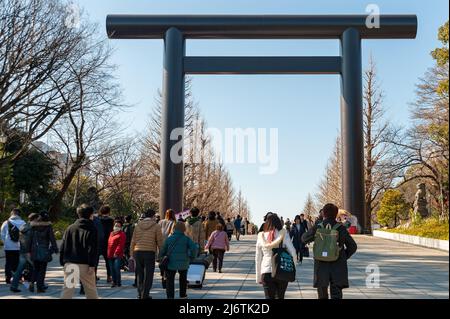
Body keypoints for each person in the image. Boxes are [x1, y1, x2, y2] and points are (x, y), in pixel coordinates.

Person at [302, 203, 358, 299]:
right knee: (336, 293)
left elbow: (304, 238)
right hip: (337, 265)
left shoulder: (318, 227)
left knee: (322, 293)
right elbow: (353, 246)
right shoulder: (341, 228)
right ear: (336, 214)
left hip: (321, 265)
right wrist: (342, 255)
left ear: (323, 213)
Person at [60, 204, 99, 299]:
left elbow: (63, 246)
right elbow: (92, 248)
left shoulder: (70, 228)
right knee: (91, 290)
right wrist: (92, 264)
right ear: (90, 215)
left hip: (70, 263)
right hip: (86, 265)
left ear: (78, 214)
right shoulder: (92, 229)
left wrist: (63, 262)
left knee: (67, 290)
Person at [255, 213, 296, 299]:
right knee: (280, 297)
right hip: (281, 270)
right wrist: (292, 269)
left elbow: (258, 258)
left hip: (266, 271)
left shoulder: (261, 236)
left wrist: (258, 277)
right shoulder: (284, 234)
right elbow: (293, 252)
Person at [159, 222, 198, 299]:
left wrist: (160, 257)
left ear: (174, 229)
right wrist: (192, 257)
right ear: (184, 229)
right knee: (183, 279)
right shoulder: (187, 239)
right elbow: (194, 248)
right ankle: (182, 295)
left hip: (170, 262)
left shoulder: (168, 239)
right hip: (184, 262)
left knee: (170, 280)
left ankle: (170, 296)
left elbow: (162, 250)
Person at [131, 209, 163, 299]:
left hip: (138, 252)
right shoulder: (156, 226)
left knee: (139, 273)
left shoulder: (137, 226)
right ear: (153, 216)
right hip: (149, 252)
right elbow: (160, 241)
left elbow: (133, 241)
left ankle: (139, 293)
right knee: (148, 274)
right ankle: (145, 294)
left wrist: (131, 254)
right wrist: (162, 253)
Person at [27, 211, 58, 293]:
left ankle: (32, 282)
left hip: (34, 250)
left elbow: (29, 239)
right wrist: (55, 249)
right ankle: (40, 287)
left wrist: (28, 250)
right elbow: (52, 239)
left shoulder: (33, 226)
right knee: (42, 269)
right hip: (44, 250)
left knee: (35, 268)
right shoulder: (48, 227)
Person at [10, 213, 39, 293]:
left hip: (22, 251)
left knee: (19, 269)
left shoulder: (23, 226)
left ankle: (13, 286)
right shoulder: (30, 229)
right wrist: (28, 252)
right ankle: (39, 285)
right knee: (38, 267)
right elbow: (27, 241)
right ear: (35, 219)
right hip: (27, 252)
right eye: (37, 219)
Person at [1, 208, 26, 284]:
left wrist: (6, 242)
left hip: (8, 246)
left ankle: (8, 278)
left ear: (12, 214)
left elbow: (2, 234)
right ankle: (18, 278)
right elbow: (26, 235)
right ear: (19, 215)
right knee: (19, 263)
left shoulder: (6, 222)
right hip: (19, 246)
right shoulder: (23, 223)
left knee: (8, 262)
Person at [159, 209, 176, 287]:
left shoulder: (161, 222)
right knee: (167, 261)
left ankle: (162, 275)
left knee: (162, 261)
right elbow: (172, 233)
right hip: (168, 244)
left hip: (160, 244)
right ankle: (166, 276)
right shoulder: (173, 222)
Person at [107, 221, 126, 288]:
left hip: (117, 255)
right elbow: (109, 244)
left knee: (116, 268)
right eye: (115, 225)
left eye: (118, 226)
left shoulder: (122, 234)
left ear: (121, 227)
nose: (116, 227)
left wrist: (116, 252)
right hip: (110, 254)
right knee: (112, 269)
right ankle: (113, 282)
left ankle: (118, 282)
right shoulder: (111, 233)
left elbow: (121, 245)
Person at [98, 205, 114, 283]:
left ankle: (94, 276)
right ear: (109, 212)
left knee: (95, 260)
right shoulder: (111, 220)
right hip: (108, 242)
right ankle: (109, 276)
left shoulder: (97, 220)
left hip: (98, 242)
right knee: (108, 260)